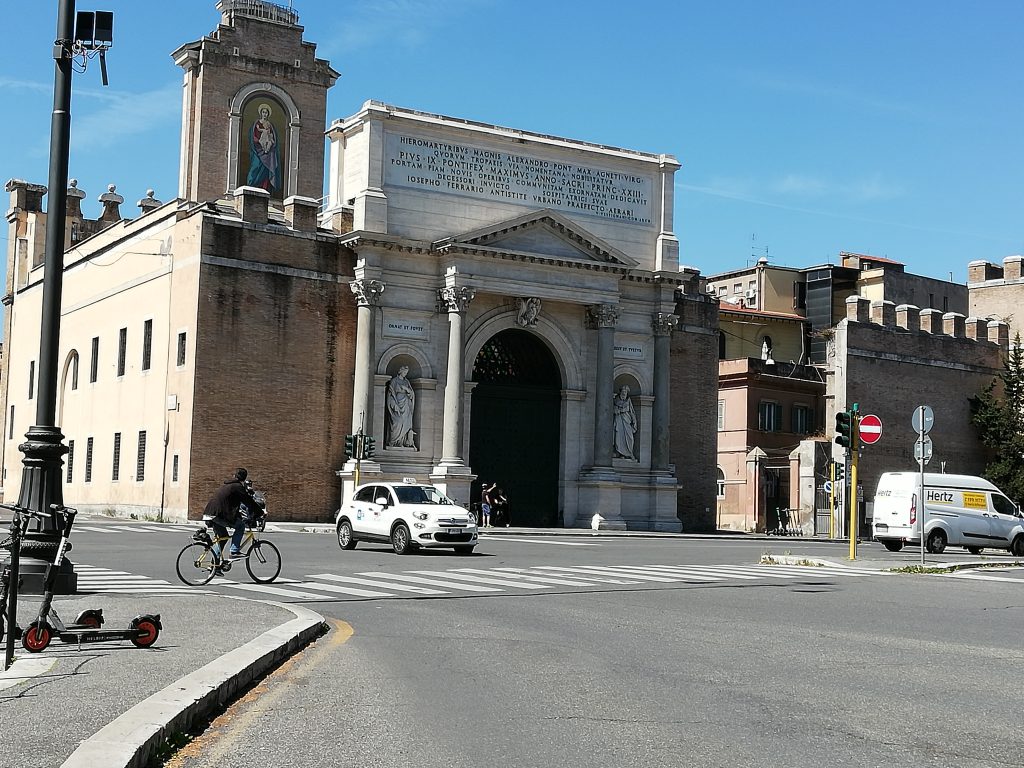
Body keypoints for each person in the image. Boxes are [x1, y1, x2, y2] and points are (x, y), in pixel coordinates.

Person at [202, 468, 263, 560]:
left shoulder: (227, 485)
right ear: (244, 479)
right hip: (218, 514)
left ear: (234, 476)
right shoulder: (237, 487)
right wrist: (260, 513)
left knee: (223, 537)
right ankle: (234, 551)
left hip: (210, 513)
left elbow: (230, 505)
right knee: (240, 526)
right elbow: (248, 501)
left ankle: (215, 566)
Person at [246, 103, 280, 194]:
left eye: (266, 113)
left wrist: (270, 144)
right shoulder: (256, 124)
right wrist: (259, 142)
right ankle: (252, 186)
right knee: (256, 166)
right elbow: (252, 136)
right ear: (261, 113)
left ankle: (265, 188)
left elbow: (273, 138)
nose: (265, 114)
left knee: (267, 169)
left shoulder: (269, 125)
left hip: (268, 151)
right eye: (263, 112)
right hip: (257, 149)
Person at [386, 365, 416, 448]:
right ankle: (394, 441)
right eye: (404, 372)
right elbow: (391, 395)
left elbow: (411, 394)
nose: (405, 374)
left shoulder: (407, 382)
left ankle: (402, 442)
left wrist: (407, 390)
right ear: (401, 371)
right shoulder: (394, 381)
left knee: (406, 423)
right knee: (397, 422)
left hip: (406, 405)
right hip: (397, 405)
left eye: (406, 373)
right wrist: (394, 405)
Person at [612, 385, 638, 460]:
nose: (624, 394)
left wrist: (634, 422)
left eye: (625, 392)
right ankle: (620, 453)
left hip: (627, 421)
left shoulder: (628, 401)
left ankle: (629, 452)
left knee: (630, 437)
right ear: (620, 392)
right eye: (623, 392)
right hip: (619, 421)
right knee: (619, 437)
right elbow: (613, 410)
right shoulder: (616, 401)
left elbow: (632, 412)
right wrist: (617, 411)